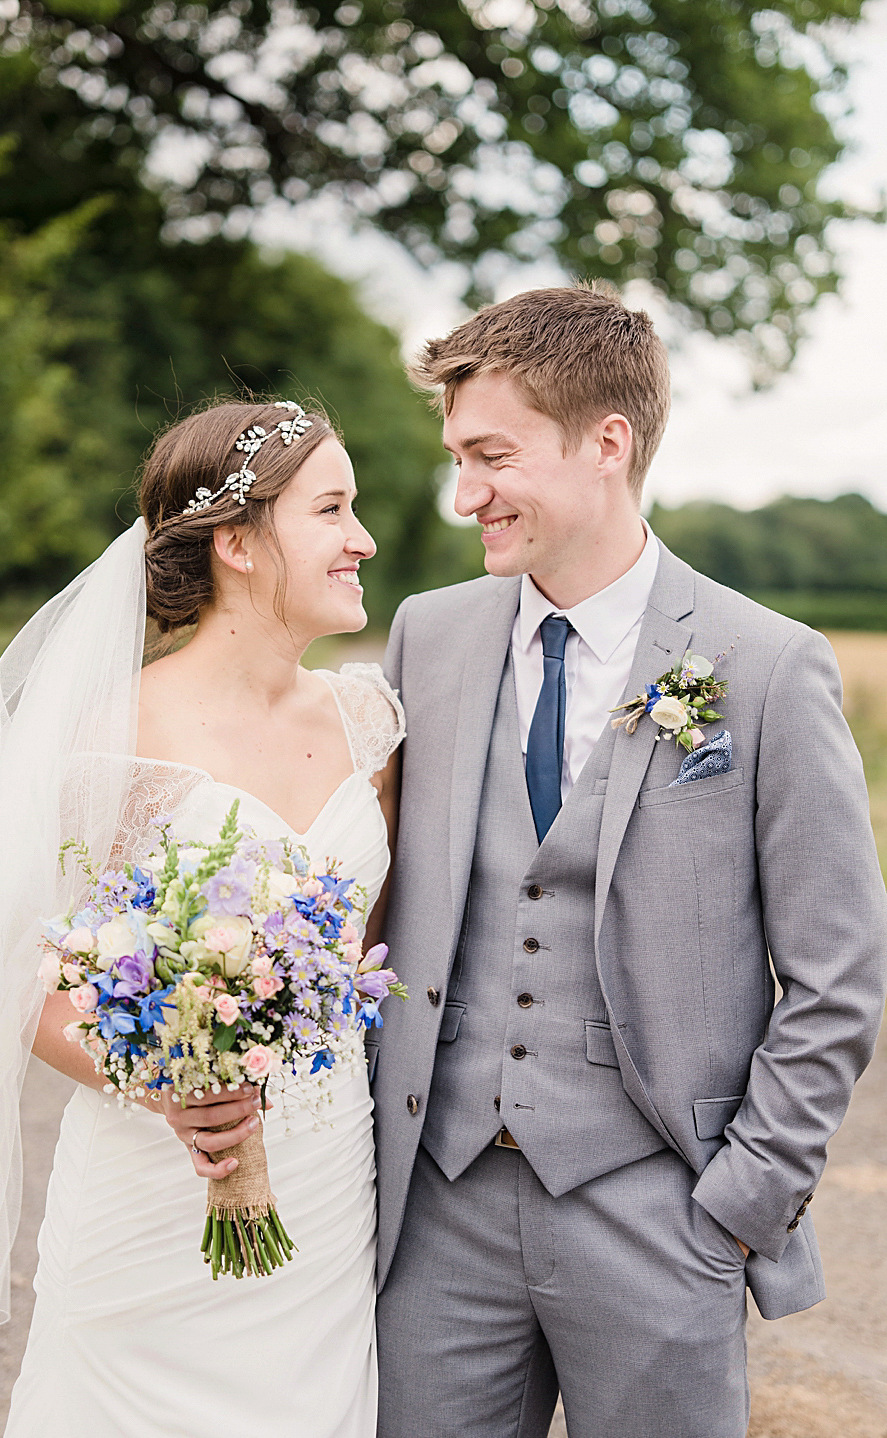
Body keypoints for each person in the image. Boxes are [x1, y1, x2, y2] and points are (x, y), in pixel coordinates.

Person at [372, 285, 887, 1438]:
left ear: (608, 443)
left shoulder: (765, 665)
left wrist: (739, 1203)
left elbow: (839, 974)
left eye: (492, 456)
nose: (466, 495)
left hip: (662, 1214)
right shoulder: (430, 635)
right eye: (458, 458)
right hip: (436, 1210)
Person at [0, 399, 403, 1437]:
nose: (362, 538)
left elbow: (375, 949)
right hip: (155, 1197)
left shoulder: (372, 722)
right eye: (332, 509)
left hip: (328, 1193)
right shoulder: (109, 740)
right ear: (237, 541)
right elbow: (15, 977)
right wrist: (166, 1087)